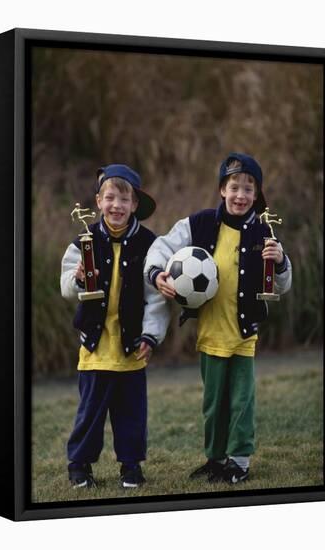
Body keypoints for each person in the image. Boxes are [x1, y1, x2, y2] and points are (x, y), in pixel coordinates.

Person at [144, 153, 292, 484]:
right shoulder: (198, 223)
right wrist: (156, 274)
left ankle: (238, 462)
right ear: (222, 189)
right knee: (213, 405)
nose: (241, 195)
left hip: (242, 334)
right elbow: (161, 247)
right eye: (234, 187)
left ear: (257, 194)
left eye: (248, 189)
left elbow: (282, 284)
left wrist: (281, 262)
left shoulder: (263, 232)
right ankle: (216, 459)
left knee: (241, 402)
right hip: (210, 333)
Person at [61, 164, 169, 489]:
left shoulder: (150, 245)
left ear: (135, 204)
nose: (117, 206)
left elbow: (157, 298)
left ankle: (130, 466)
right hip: (95, 347)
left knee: (131, 414)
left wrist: (152, 335)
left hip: (131, 347)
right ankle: (80, 465)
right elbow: (66, 287)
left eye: (124, 199)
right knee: (90, 413)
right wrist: (77, 277)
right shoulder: (84, 240)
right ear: (98, 201)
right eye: (110, 198)